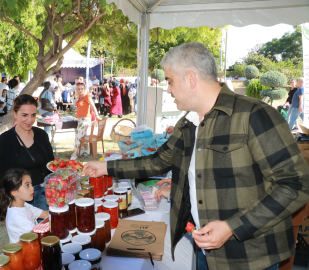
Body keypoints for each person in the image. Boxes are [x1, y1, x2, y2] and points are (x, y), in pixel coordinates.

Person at [83, 42, 309, 270]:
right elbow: (158, 161)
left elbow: (296, 184)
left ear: (191, 78)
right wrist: (105, 168)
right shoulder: (188, 123)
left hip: (248, 257)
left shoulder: (254, 115)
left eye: (170, 81)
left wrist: (233, 227)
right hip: (205, 252)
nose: (168, 90)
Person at [0, 94, 54, 211]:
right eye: (24, 115)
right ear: (15, 114)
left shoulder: (42, 135)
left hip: (44, 195)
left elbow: (51, 167)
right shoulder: (4, 140)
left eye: (33, 115)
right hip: (18, 200)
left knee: (45, 228)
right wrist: (6, 207)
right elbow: (0, 179)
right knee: (25, 230)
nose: (29, 120)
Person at [0, 168, 49, 243]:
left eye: (31, 184)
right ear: (14, 192)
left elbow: (46, 214)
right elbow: (37, 237)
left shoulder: (23, 205)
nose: (32, 188)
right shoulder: (17, 217)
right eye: (27, 185)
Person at [70, 81, 102, 160]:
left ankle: (75, 153)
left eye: (82, 89)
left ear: (85, 89)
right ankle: (84, 152)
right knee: (82, 135)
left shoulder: (87, 96)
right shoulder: (80, 97)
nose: (80, 90)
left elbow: (93, 106)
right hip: (80, 119)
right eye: (79, 89)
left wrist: (97, 115)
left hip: (85, 120)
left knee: (78, 136)